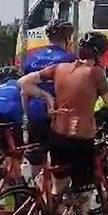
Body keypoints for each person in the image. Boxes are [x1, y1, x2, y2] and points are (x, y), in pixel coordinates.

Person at [18, 31, 108, 215]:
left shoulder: (60, 68)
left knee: (56, 189)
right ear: (99, 54)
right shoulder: (96, 73)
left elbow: (23, 82)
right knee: (81, 204)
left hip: (58, 139)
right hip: (81, 144)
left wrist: (48, 98)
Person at [22, 19, 75, 177]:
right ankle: (56, 195)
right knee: (62, 164)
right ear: (67, 39)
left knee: (37, 160)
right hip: (58, 115)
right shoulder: (70, 59)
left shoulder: (33, 58)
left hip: (35, 113)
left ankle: (35, 194)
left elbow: (25, 89)